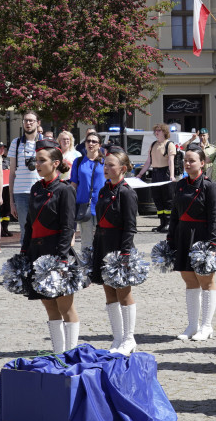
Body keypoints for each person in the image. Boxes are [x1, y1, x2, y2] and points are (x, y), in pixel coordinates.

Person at [22, 140, 80, 352]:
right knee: (48, 304)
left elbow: (68, 226)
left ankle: (71, 354)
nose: (37, 165)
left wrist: (62, 258)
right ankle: (58, 353)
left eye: (42, 161)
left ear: (55, 163)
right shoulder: (36, 188)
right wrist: (24, 252)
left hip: (57, 252)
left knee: (65, 306)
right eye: (36, 161)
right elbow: (29, 224)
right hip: (38, 252)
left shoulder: (64, 190)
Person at [90, 146, 140, 355]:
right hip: (103, 244)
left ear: (123, 168)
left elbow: (130, 226)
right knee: (109, 292)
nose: (106, 168)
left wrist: (125, 254)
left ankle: (129, 338)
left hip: (120, 247)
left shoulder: (127, 192)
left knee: (123, 293)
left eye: (111, 165)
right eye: (105, 164)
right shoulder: (103, 190)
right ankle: (118, 337)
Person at [168, 147, 216, 342]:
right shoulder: (180, 184)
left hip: (202, 235)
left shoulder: (210, 186)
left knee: (206, 281)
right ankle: (192, 325)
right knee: (189, 280)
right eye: (185, 161)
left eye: (192, 160)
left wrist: (212, 244)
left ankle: (206, 325)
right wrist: (171, 237)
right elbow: (175, 213)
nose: (187, 164)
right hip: (183, 234)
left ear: (202, 163)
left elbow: (214, 217)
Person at [135, 123, 177, 233]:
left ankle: (168, 223)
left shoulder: (169, 144)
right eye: (155, 131)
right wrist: (140, 174)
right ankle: (162, 223)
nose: (156, 133)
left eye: (159, 130)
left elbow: (170, 161)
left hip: (165, 172)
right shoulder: (153, 145)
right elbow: (149, 161)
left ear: (164, 132)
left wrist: (172, 176)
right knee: (157, 199)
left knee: (167, 199)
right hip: (156, 173)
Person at [8, 111, 42, 240]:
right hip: (20, 192)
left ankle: (40, 258)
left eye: (31, 121)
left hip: (41, 191)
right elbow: (12, 174)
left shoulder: (44, 142)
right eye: (26, 120)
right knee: (25, 229)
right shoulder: (16, 143)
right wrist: (11, 202)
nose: (28, 123)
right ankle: (25, 257)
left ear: (38, 123)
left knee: (41, 227)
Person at [69, 132, 106, 249]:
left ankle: (101, 264)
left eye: (94, 141)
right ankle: (87, 265)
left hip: (102, 205)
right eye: (88, 141)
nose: (90, 143)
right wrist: (70, 203)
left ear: (99, 145)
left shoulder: (105, 162)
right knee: (86, 241)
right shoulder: (78, 162)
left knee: (103, 239)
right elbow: (73, 184)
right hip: (84, 205)